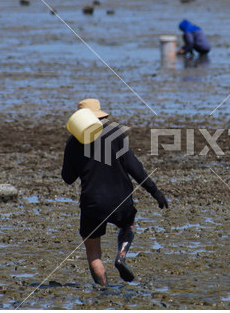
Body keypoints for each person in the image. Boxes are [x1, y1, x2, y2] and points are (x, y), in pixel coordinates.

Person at [61, 98, 168, 286]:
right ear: (100, 114)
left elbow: (67, 178)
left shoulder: (73, 141)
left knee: (94, 254)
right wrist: (155, 192)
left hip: (92, 203)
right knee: (128, 225)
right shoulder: (114, 133)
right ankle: (121, 256)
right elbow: (134, 167)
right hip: (121, 200)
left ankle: (104, 293)